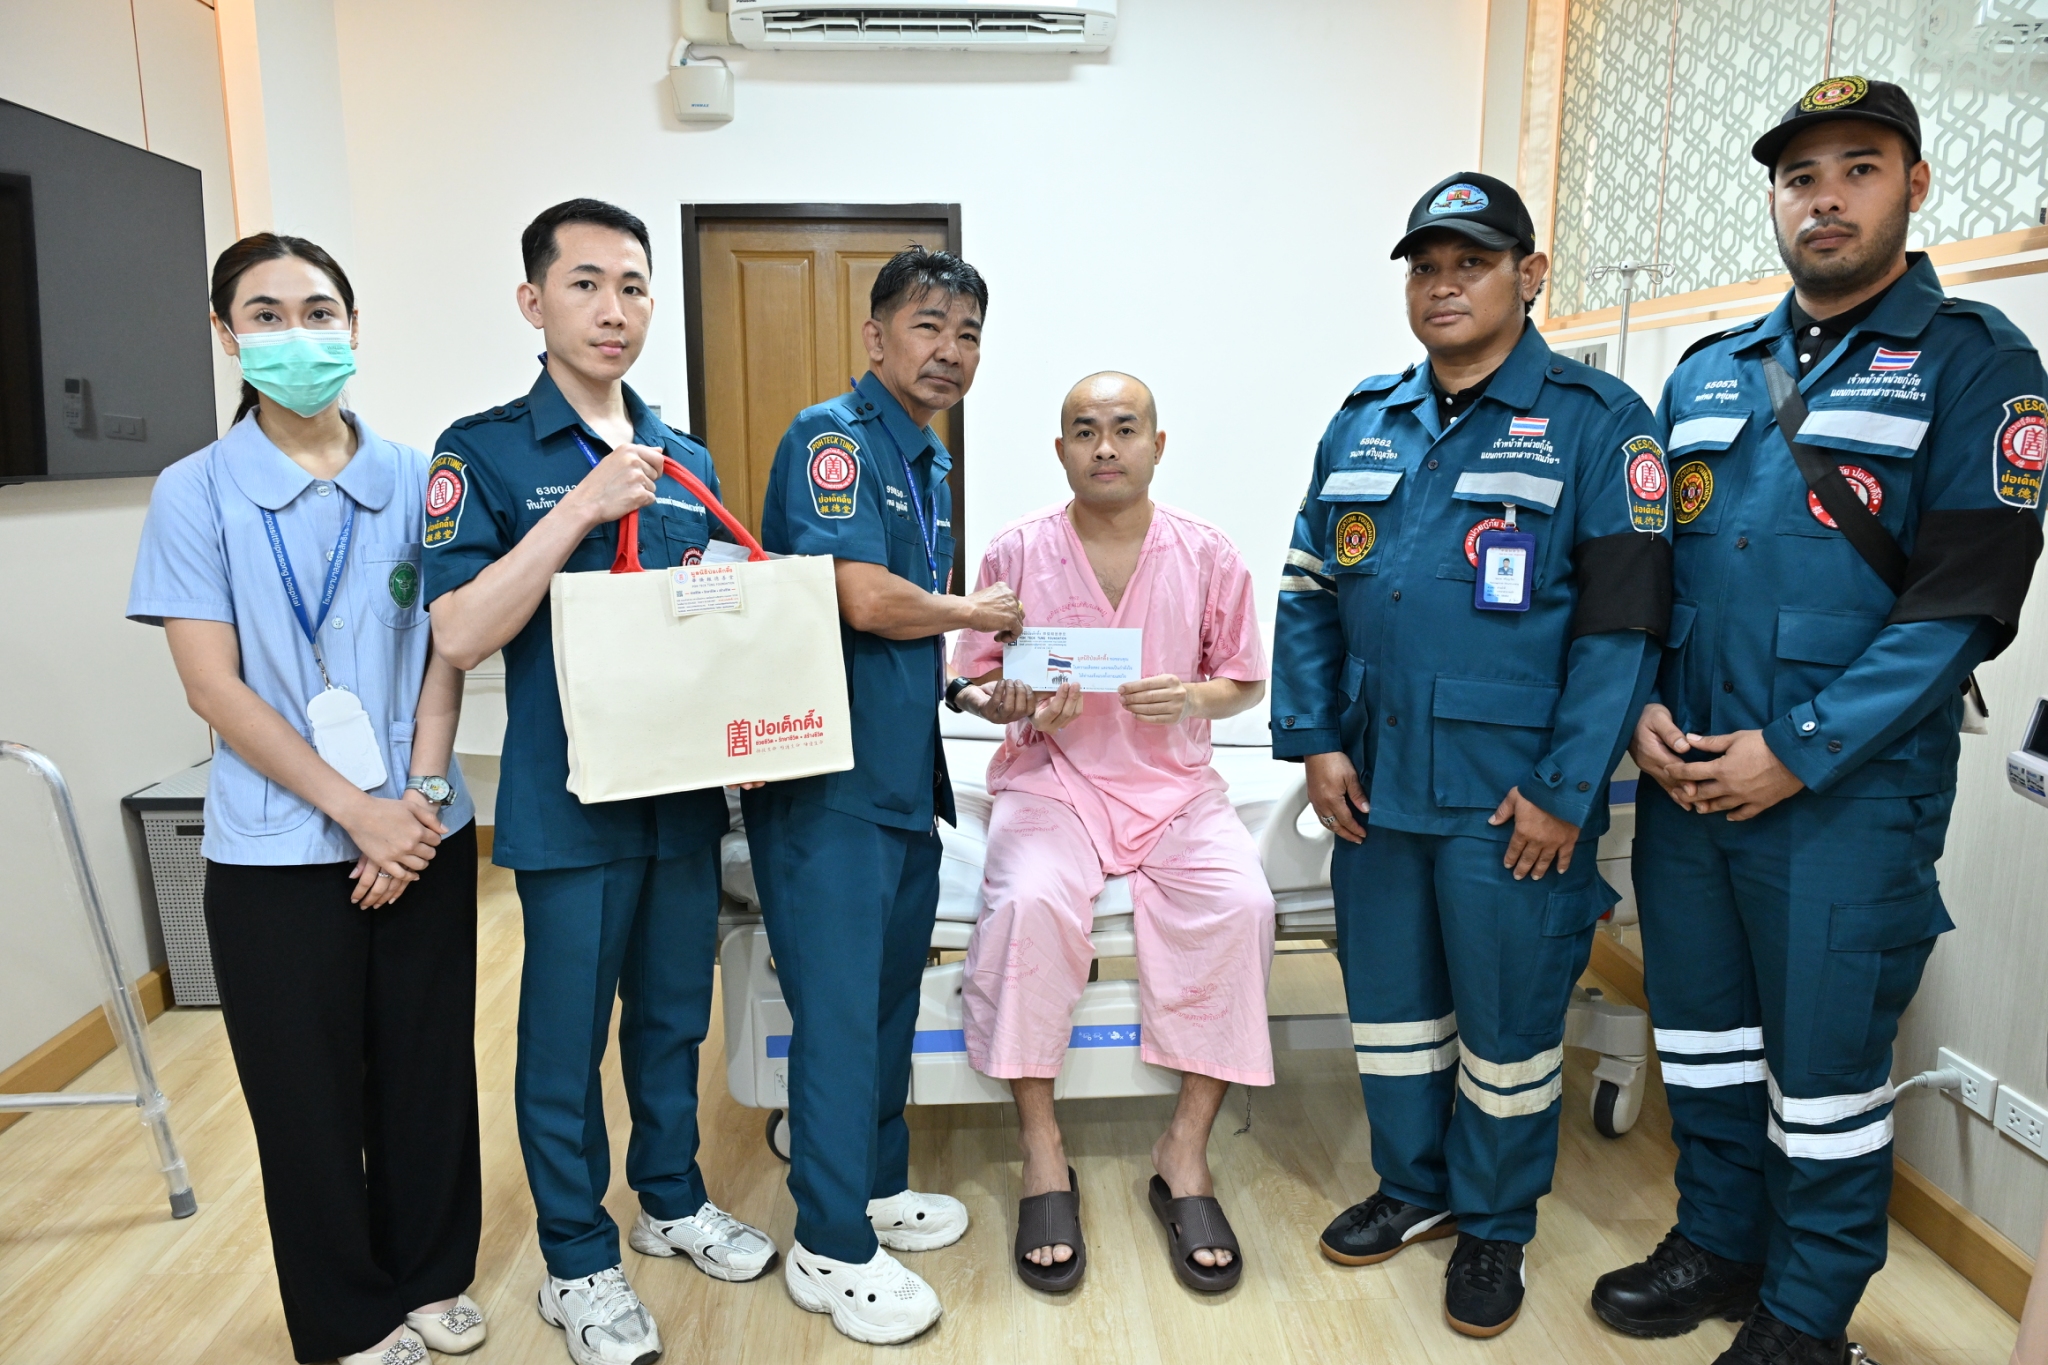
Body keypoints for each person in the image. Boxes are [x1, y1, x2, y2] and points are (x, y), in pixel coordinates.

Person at [1590, 79, 2047, 1364]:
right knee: (1703, 1042)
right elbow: (1644, 569)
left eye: (1858, 168)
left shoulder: (1976, 362)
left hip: (1843, 797)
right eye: (1800, 177)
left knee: (1826, 1078)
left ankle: (1805, 1312)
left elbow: (1959, 604)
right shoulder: (1708, 370)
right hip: (1690, 783)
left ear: (1913, 186)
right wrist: (1640, 710)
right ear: (1776, 200)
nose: (1825, 198)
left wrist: (1793, 754)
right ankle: (1718, 1243)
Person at [1269, 172, 1672, 1338]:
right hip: (1376, 786)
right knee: (1391, 1012)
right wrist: (1314, 741)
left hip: (1511, 801)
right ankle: (1413, 1188)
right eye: (1425, 267)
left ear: (1527, 275)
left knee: (1506, 1029)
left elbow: (1621, 631)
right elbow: (1306, 591)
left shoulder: (1598, 423)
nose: (1442, 286)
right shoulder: (1363, 418)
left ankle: (1493, 1223)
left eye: (1471, 263)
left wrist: (1563, 790)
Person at [421, 199, 773, 1365]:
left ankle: (669, 1199)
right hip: (568, 802)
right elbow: (460, 631)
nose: (611, 309)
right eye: (583, 284)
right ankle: (576, 1258)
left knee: (672, 1020)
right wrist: (582, 505)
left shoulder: (685, 458)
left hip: (681, 796)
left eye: (630, 285)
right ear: (533, 302)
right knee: (564, 1043)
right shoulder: (483, 451)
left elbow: (700, 619)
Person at [127, 233, 485, 1365]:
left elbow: (446, 650)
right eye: (267, 315)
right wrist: (357, 812)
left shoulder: (420, 476)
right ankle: (346, 1318)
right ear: (228, 336)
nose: (299, 335)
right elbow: (211, 685)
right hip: (278, 852)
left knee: (428, 1072)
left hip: (423, 828)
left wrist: (416, 800)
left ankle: (431, 1274)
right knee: (306, 1097)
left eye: (319, 311)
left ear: (355, 327)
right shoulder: (195, 491)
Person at [741, 246, 1024, 1344]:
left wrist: (971, 687)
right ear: (875, 336)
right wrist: (973, 614)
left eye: (968, 334)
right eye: (927, 326)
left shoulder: (927, 461)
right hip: (829, 787)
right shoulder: (835, 441)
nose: (949, 350)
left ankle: (872, 1181)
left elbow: (903, 641)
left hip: (903, 781)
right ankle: (829, 1244)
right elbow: (858, 598)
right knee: (839, 1016)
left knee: (888, 1004)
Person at [949, 371, 1273, 1295]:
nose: (1104, 446)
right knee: (1029, 904)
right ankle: (1042, 1149)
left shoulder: (1207, 553)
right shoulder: (1017, 550)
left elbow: (1244, 680)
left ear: (1156, 445)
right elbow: (969, 678)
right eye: (1084, 430)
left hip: (1174, 787)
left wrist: (1194, 697)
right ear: (1060, 450)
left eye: (1124, 428)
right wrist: (1003, 702)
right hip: (1053, 780)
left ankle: (1184, 1150)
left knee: (1244, 906)